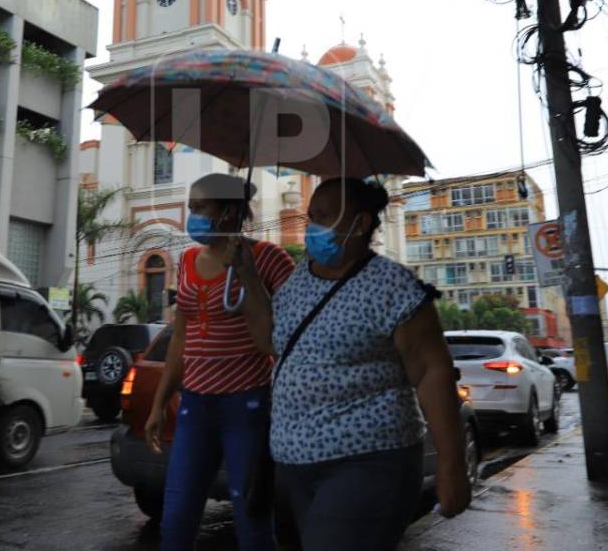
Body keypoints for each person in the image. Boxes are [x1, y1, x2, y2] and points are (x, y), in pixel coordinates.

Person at [234, 177, 472, 551]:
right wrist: (247, 274)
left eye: (325, 217)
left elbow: (431, 372)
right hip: (294, 463)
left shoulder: (393, 285)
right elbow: (270, 342)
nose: (313, 227)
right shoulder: (299, 279)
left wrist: (451, 465)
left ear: (360, 225)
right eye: (311, 216)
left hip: (369, 462)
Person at [145, 173, 296, 551]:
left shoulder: (267, 258)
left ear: (228, 212)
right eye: (190, 207)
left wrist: (247, 274)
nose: (191, 215)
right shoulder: (188, 261)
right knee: (176, 517)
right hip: (195, 406)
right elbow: (181, 336)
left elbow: (293, 328)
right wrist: (160, 401)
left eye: (200, 208)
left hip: (247, 406)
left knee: (253, 521)